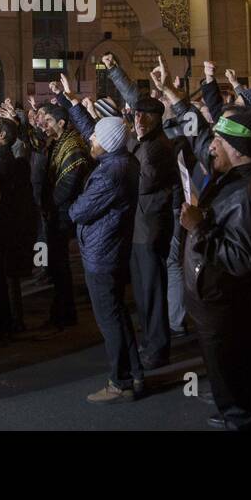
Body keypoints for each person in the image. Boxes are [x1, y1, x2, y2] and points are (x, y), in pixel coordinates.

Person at [181, 105, 251, 430]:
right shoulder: (235, 178)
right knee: (233, 384)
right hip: (219, 303)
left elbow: (239, 258)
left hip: (228, 307)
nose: (210, 147)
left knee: (237, 392)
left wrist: (198, 228)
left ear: (236, 149)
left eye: (217, 141)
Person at [97, 52, 180, 368]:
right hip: (140, 226)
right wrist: (115, 70)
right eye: (136, 116)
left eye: (146, 116)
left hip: (150, 227)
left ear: (159, 119)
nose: (139, 120)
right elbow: (135, 98)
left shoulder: (157, 146)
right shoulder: (144, 141)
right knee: (144, 291)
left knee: (152, 290)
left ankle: (158, 348)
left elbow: (142, 183)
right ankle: (151, 342)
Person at [69, 115, 144, 402]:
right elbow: (101, 134)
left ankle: (120, 381)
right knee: (118, 314)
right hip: (111, 248)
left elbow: (78, 211)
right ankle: (134, 373)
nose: (90, 139)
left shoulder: (110, 173)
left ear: (108, 144)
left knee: (109, 320)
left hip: (102, 252)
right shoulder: (123, 161)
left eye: (95, 138)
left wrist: (75, 205)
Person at [36, 96, 91, 330]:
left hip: (61, 213)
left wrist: (52, 204)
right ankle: (61, 311)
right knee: (57, 265)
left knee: (61, 266)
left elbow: (69, 182)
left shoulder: (73, 145)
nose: (44, 124)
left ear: (61, 122)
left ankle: (65, 314)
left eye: (48, 120)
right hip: (55, 211)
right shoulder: (58, 142)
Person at [0, 115, 34, 337]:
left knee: (1, 277)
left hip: (1, 229)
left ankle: (6, 324)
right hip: (6, 228)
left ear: (2, 136)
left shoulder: (0, 162)